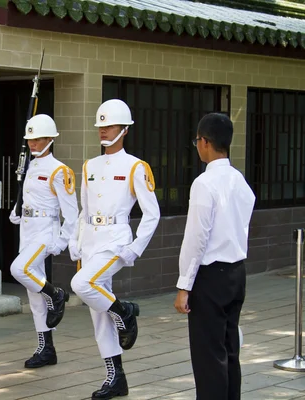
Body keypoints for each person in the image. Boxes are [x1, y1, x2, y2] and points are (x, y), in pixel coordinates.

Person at [69, 99, 160, 399]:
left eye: (109, 126)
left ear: (124, 130)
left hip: (116, 241)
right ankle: (115, 377)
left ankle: (124, 311)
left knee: (82, 284)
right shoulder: (89, 166)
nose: (103, 131)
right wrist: (76, 242)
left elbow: (152, 213)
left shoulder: (135, 166)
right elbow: (83, 211)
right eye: (101, 126)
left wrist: (134, 248)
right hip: (92, 241)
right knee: (98, 315)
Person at [174, 113, 255, 400]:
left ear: (205, 142)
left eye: (197, 140)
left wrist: (184, 286)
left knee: (208, 357)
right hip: (236, 272)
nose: (197, 146)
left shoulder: (204, 183)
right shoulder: (239, 181)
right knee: (229, 349)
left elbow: (196, 237)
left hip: (210, 276)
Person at [9, 114, 78, 369]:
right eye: (30, 139)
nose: (32, 143)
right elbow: (28, 198)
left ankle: (56, 293)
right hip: (27, 230)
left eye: (37, 138)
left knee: (19, 269)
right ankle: (46, 348)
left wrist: (61, 242)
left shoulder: (59, 170)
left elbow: (71, 213)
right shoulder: (29, 167)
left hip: (45, 232)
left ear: (50, 139)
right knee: (33, 294)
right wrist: (19, 211)